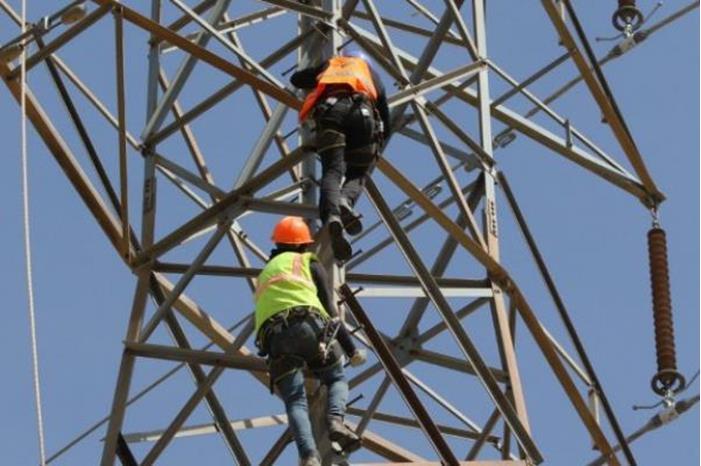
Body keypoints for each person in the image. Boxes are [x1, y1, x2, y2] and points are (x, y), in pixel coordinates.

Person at [254, 216, 367, 466]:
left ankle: (309, 456)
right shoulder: (307, 261)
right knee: (336, 378)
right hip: (308, 327)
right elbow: (331, 313)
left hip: (275, 340)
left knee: (295, 401)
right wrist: (352, 351)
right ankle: (335, 421)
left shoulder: (265, 273)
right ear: (302, 244)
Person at [291, 49, 390, 261]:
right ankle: (346, 199)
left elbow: (297, 79)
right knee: (358, 173)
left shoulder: (333, 64)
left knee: (333, 171)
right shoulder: (373, 77)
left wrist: (314, 75)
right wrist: (375, 147)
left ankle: (332, 215)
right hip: (364, 117)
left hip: (332, 113)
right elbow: (386, 120)